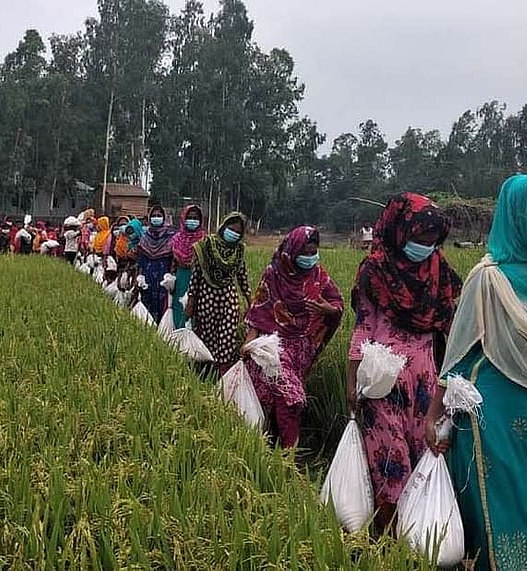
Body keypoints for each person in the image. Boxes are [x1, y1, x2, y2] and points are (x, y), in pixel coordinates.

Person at [426, 174, 527, 570]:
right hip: (488, 415)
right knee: (493, 514)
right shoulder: (489, 277)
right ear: (517, 216)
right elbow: (460, 356)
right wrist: (434, 415)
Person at [347, 193, 463, 531]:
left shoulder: (438, 269)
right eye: (419, 238)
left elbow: (451, 326)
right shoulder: (376, 269)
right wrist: (351, 378)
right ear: (400, 230)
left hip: (426, 380)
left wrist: (452, 382)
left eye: (432, 240)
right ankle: (389, 538)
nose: (425, 246)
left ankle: (417, 536)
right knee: (389, 459)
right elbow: (364, 326)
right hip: (383, 378)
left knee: (420, 454)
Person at [244, 226, 344, 448]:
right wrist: (250, 341)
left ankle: (281, 445)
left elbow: (337, 303)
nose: (310, 258)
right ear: (292, 250)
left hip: (302, 346)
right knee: (287, 395)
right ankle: (287, 447)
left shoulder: (319, 274)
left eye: (313, 252)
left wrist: (326, 309)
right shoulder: (274, 274)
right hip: (273, 345)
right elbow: (258, 309)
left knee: (284, 397)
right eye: (305, 253)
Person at [186, 212, 251, 374]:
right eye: (231, 229)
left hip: (228, 300)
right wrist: (191, 302)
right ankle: (205, 372)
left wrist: (251, 302)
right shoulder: (206, 246)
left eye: (238, 232)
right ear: (223, 227)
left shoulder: (238, 250)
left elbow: (242, 276)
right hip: (207, 298)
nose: (234, 234)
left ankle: (223, 374)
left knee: (227, 337)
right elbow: (196, 276)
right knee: (207, 336)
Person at [169, 205, 207, 328]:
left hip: (199, 280)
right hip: (180, 278)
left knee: (195, 308)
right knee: (179, 306)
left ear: (200, 220)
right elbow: (172, 264)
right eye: (189, 217)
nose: (192, 220)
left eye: (195, 218)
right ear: (184, 219)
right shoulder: (176, 239)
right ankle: (178, 334)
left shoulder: (204, 240)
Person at [136, 206, 176, 321]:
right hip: (148, 276)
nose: (156, 218)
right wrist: (140, 276)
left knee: (163, 304)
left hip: (164, 276)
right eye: (154, 216)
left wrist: (172, 276)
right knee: (146, 303)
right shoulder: (145, 238)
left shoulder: (170, 237)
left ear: (164, 218)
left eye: (159, 216)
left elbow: (174, 259)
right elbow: (141, 259)